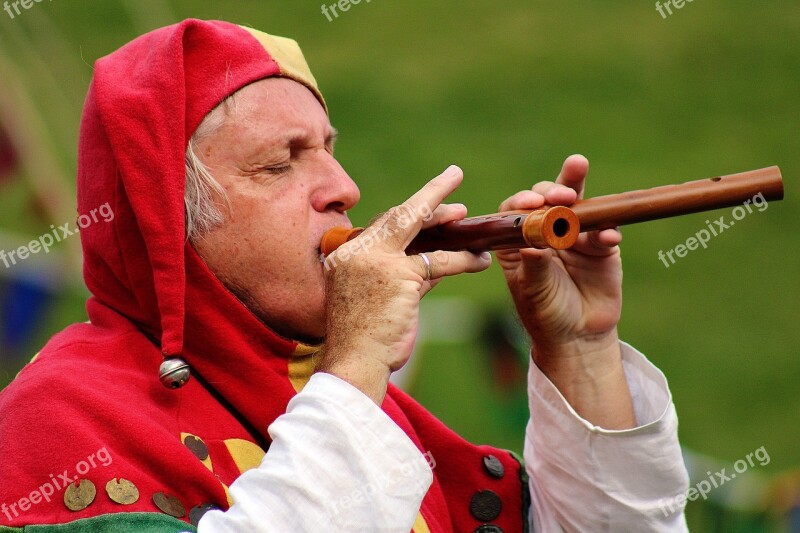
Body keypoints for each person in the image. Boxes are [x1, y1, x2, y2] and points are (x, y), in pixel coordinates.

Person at [0, 19, 689, 532]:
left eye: (329, 150)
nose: (346, 188)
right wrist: (357, 359)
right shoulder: (53, 425)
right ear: (165, 224)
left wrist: (581, 352)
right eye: (281, 162)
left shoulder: (356, 408)